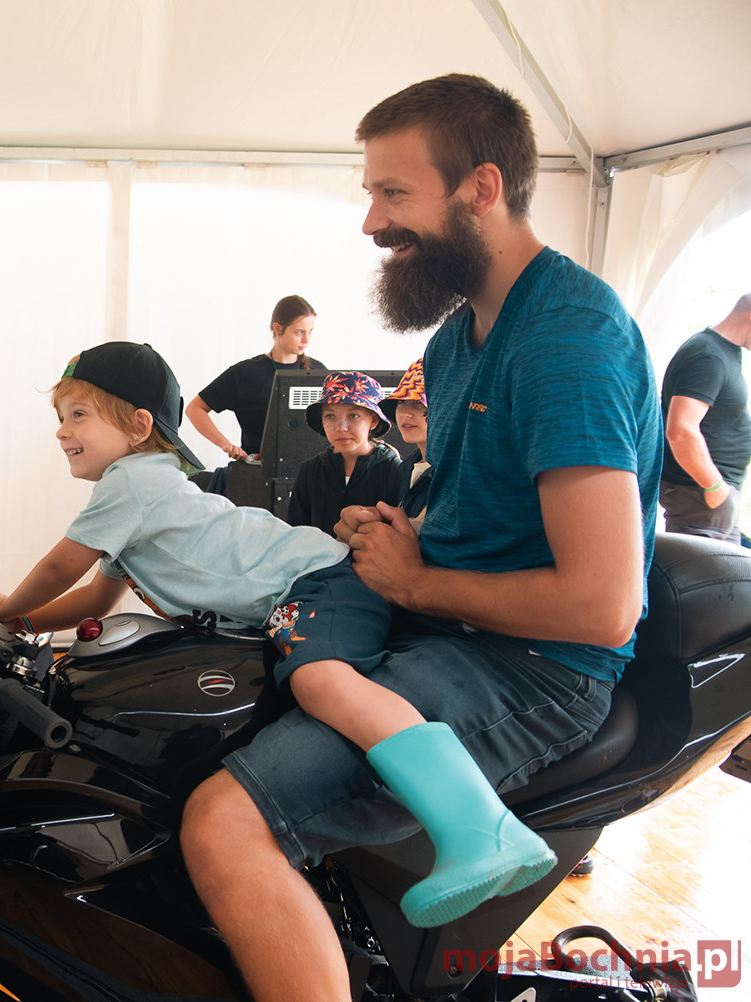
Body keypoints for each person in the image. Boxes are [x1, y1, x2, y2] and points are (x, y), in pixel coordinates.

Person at [179, 73, 661, 1002]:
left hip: (535, 667)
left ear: (481, 188)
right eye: (371, 194)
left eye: (392, 194)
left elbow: (602, 607)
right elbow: (476, 516)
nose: (371, 223)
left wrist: (415, 583)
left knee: (224, 824)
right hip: (454, 627)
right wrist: (398, 532)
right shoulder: (454, 342)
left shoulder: (567, 338)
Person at [0, 340, 554, 931]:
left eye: (79, 414)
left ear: (140, 426)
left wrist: (7, 606)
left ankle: (481, 829)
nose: (62, 430)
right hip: (308, 584)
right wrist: (20, 624)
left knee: (322, 683)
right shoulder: (146, 492)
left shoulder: (129, 485)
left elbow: (59, 569)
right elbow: (97, 598)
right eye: (60, 416)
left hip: (315, 581)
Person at [187, 295, 325, 461]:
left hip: (311, 468)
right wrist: (226, 445)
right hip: (258, 469)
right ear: (277, 328)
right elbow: (195, 409)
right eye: (299, 332)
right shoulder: (246, 373)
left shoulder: (318, 371)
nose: (306, 339)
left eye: (310, 331)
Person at [659, 294, 751, 541]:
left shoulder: (723, 353)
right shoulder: (708, 356)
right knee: (706, 568)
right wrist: (714, 487)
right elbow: (681, 430)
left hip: (711, 498)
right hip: (700, 496)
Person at [285, 371, 402, 536]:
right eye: (330, 416)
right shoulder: (310, 470)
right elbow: (296, 532)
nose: (341, 427)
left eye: (353, 416)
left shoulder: (394, 470)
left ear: (373, 420)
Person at [380, 358, 432, 527]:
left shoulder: (456, 469)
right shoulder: (407, 466)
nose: (406, 414)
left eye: (419, 403)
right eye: (402, 402)